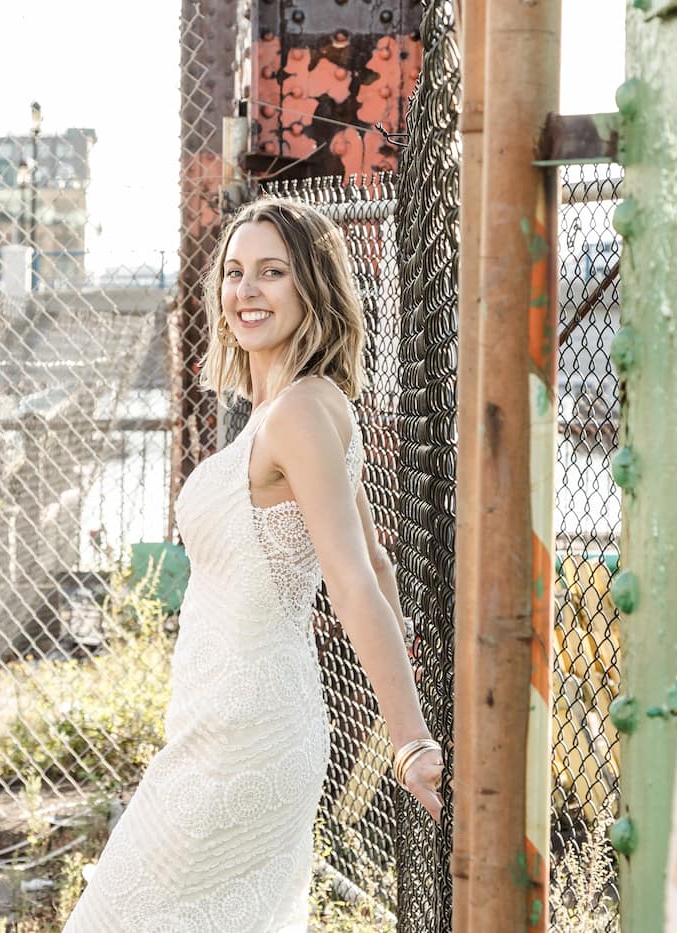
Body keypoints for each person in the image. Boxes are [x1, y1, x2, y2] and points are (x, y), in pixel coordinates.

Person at [63, 197, 443, 932]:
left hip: (245, 735)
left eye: (271, 271)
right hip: (232, 722)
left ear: (312, 286)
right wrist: (409, 674)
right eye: (235, 273)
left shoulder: (300, 411)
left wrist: (409, 738)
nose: (245, 290)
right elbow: (379, 564)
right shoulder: (300, 407)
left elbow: (356, 579)